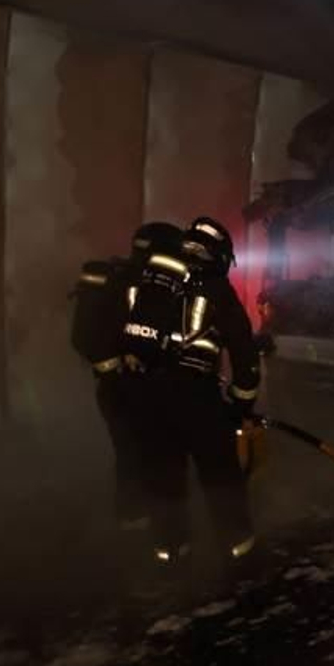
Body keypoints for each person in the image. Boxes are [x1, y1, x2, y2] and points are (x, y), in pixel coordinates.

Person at [139, 215, 263, 566]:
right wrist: (242, 404)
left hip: (152, 394)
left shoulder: (156, 280)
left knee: (165, 474)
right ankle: (237, 549)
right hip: (197, 396)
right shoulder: (218, 289)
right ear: (220, 254)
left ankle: (169, 552)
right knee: (220, 472)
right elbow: (243, 353)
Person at [70, 221, 181, 532]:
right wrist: (116, 371)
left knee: (144, 450)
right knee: (134, 450)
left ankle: (148, 517)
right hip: (125, 387)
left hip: (140, 384)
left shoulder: (145, 283)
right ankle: (139, 520)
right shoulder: (130, 284)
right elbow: (85, 338)